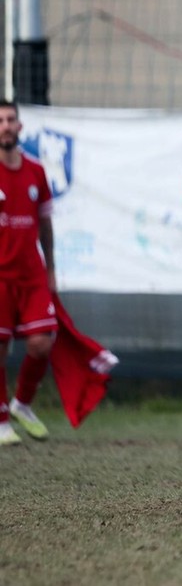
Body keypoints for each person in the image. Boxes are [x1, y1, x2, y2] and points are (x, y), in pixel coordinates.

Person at [0, 100, 57, 446]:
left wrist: (50, 269)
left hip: (31, 274)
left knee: (41, 343)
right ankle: (1, 421)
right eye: (0, 121)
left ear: (20, 126)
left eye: (11, 119)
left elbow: (46, 225)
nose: (6, 126)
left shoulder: (35, 171)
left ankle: (22, 403)